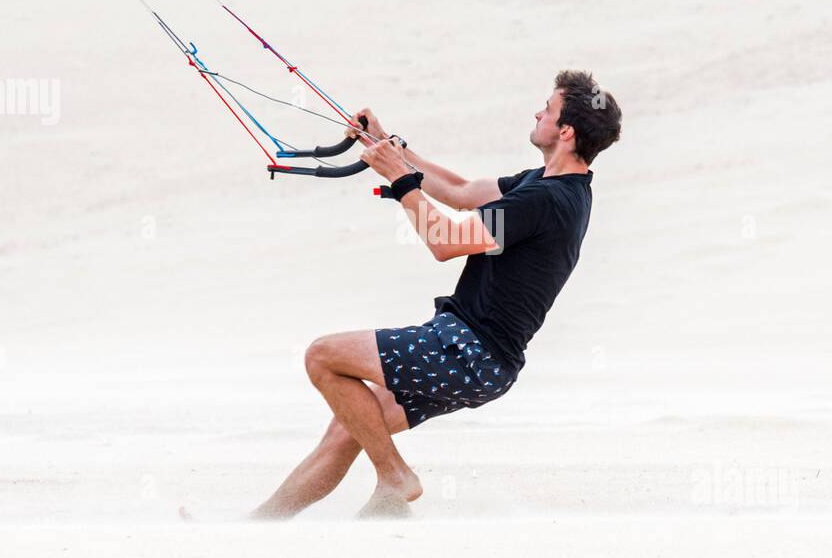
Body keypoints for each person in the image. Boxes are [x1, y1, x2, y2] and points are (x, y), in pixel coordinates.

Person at [252, 70, 622, 518]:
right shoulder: (548, 184)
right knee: (348, 428)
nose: (538, 112)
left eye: (548, 107)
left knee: (322, 356)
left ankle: (395, 478)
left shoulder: (545, 201)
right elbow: (460, 192)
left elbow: (444, 241)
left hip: (468, 351)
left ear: (565, 131)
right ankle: (259, 525)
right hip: (477, 357)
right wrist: (387, 144)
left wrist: (400, 181)